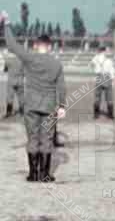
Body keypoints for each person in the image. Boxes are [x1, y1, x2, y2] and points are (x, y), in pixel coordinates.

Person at [1, 12, 66, 181]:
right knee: (47, 139)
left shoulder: (30, 58)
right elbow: (61, 87)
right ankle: (45, 174)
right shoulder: (56, 64)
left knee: (32, 138)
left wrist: (6, 23)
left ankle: (32, 173)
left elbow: (12, 45)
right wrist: (62, 106)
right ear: (50, 46)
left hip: (31, 105)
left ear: (36, 45)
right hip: (49, 105)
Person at [90, 46, 115, 119]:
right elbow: (111, 70)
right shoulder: (109, 60)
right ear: (104, 51)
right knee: (109, 97)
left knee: (97, 97)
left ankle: (96, 114)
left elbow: (91, 65)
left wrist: (96, 69)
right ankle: (110, 115)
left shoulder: (95, 58)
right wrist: (113, 80)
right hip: (107, 77)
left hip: (98, 77)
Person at [3, 46, 24, 118]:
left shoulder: (8, 60)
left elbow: (5, 70)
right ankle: (22, 112)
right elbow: (25, 72)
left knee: (9, 97)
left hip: (11, 81)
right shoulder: (22, 61)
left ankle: (8, 112)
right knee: (21, 97)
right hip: (20, 80)